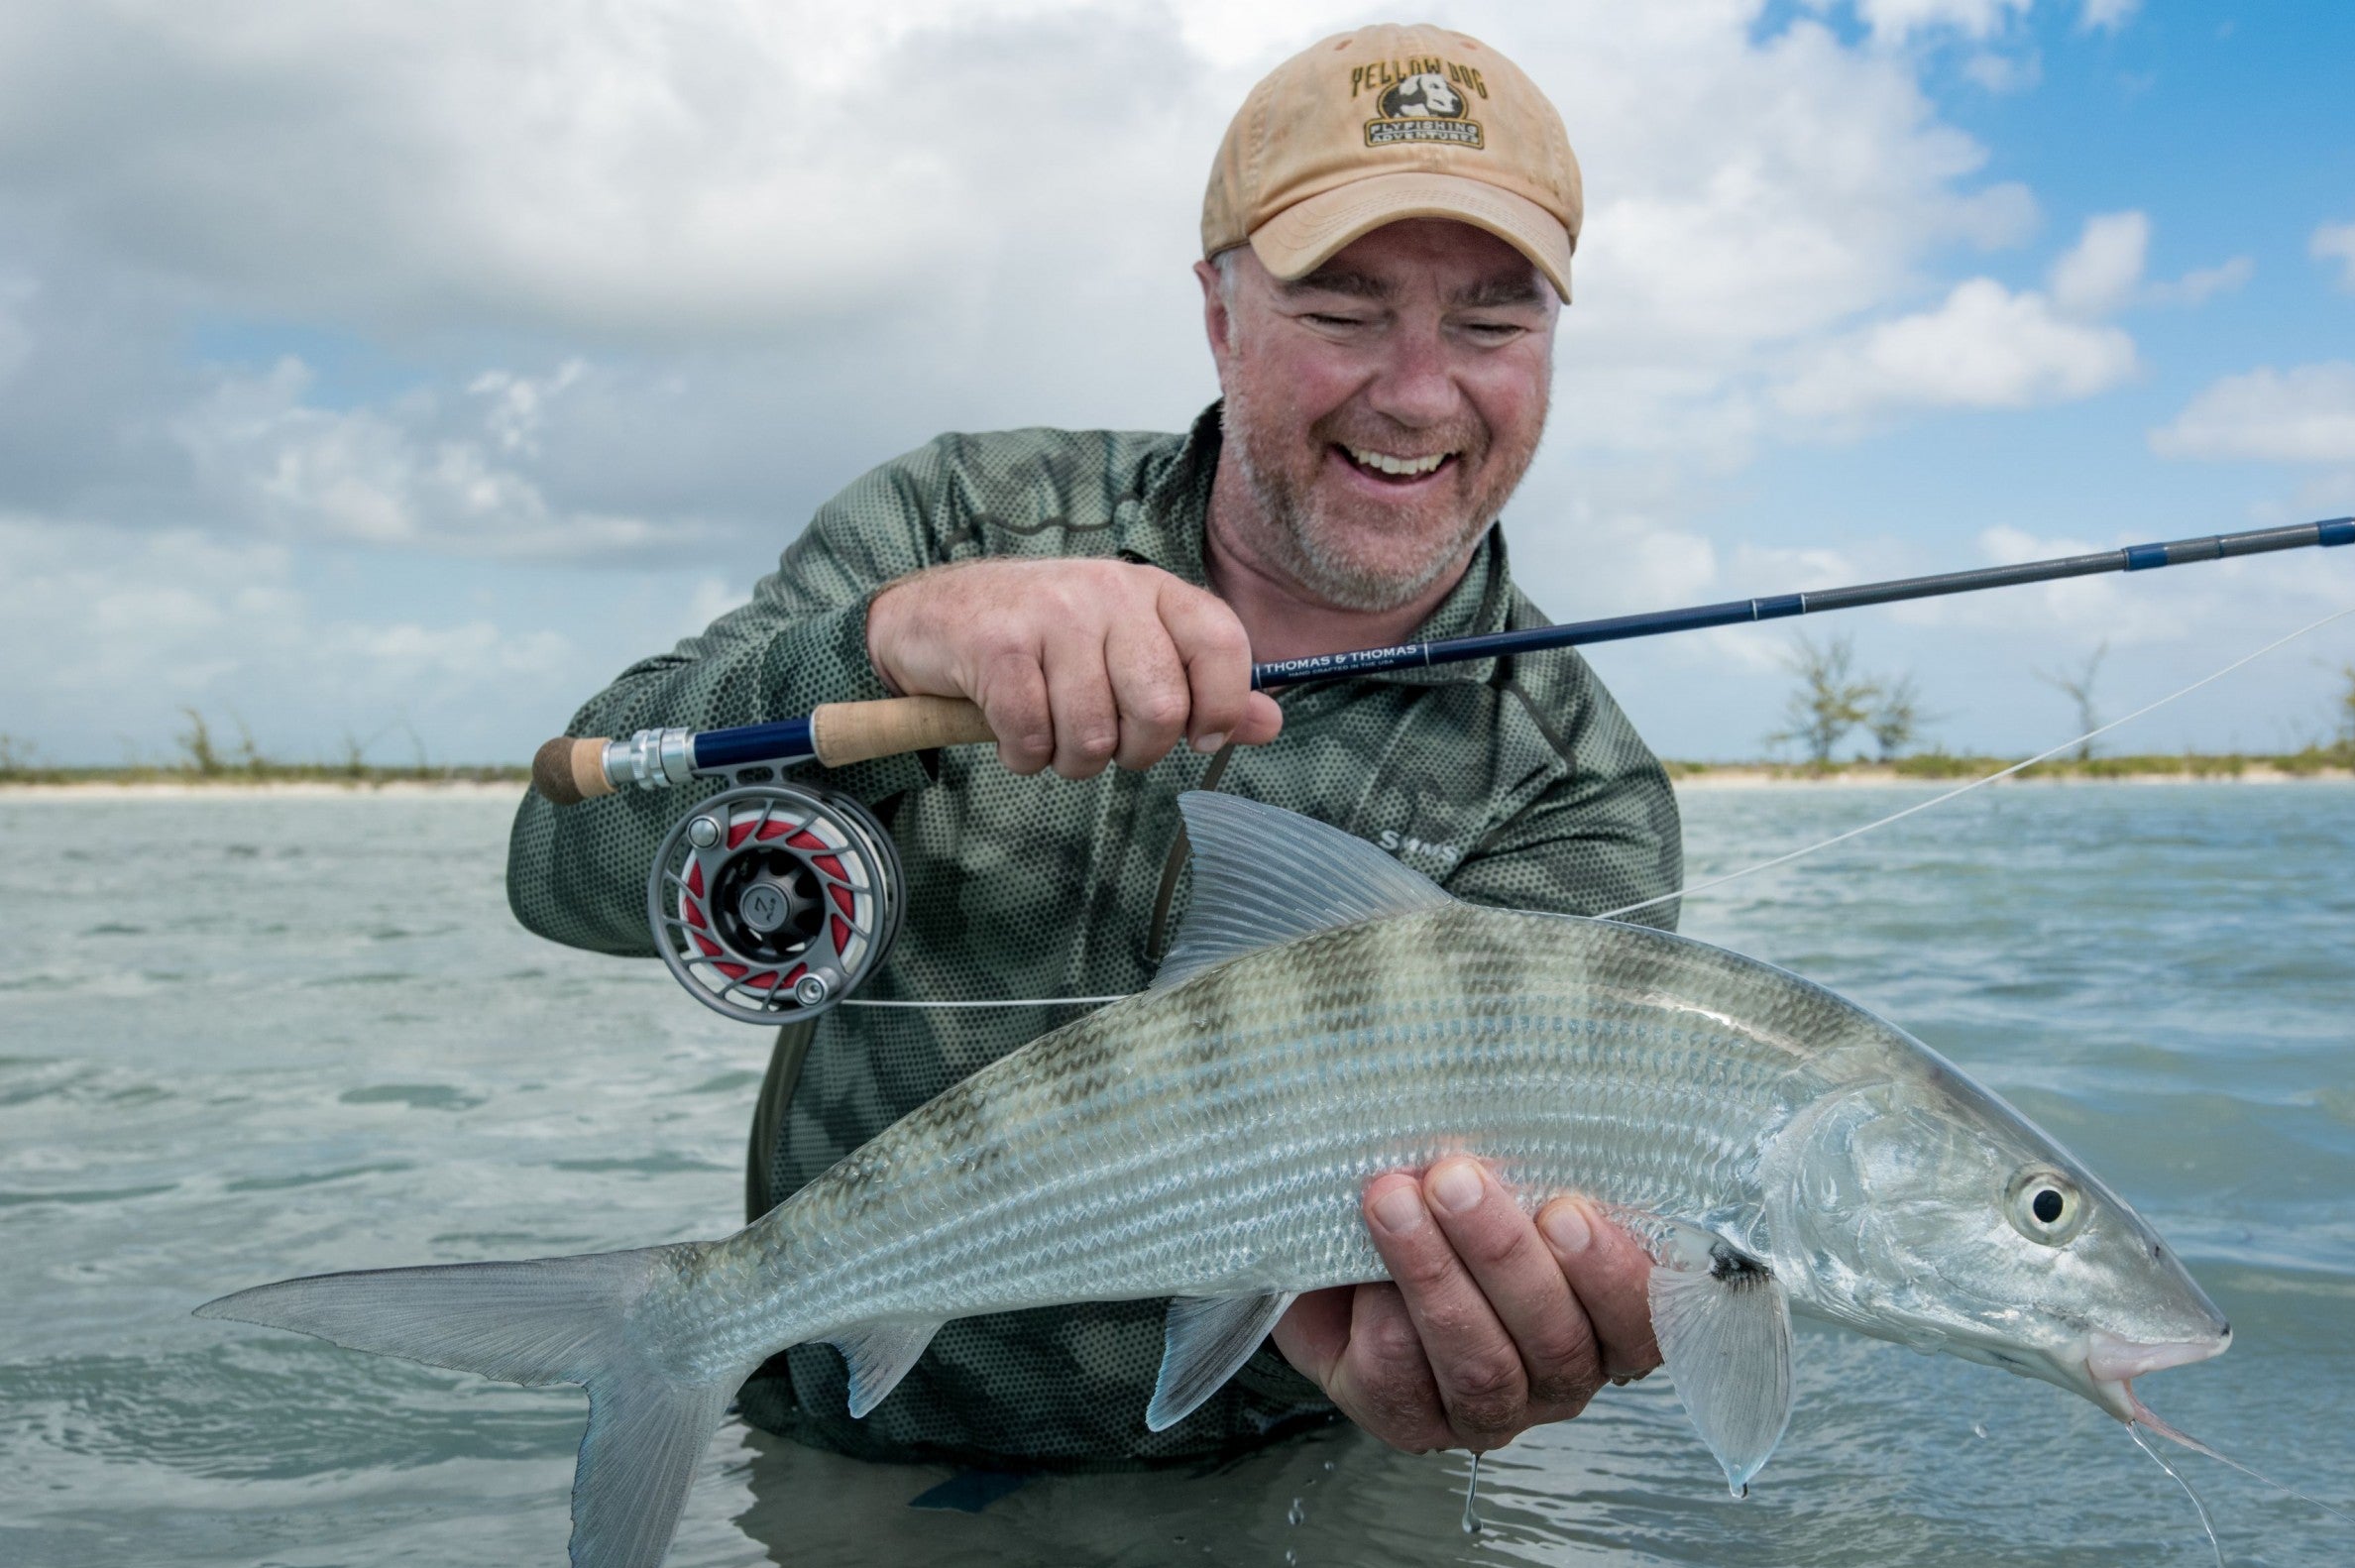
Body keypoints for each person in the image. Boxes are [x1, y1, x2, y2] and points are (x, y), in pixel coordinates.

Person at [506, 22, 1682, 1472]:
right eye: (1340, 308)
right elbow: (555, 869)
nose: (1420, 391)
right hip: (849, 1454)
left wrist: (1454, 1352)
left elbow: (1504, 1293)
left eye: (1495, 322)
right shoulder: (950, 520)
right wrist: (884, 639)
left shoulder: (1574, 785)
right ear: (1219, 313)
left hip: (1281, 1506)